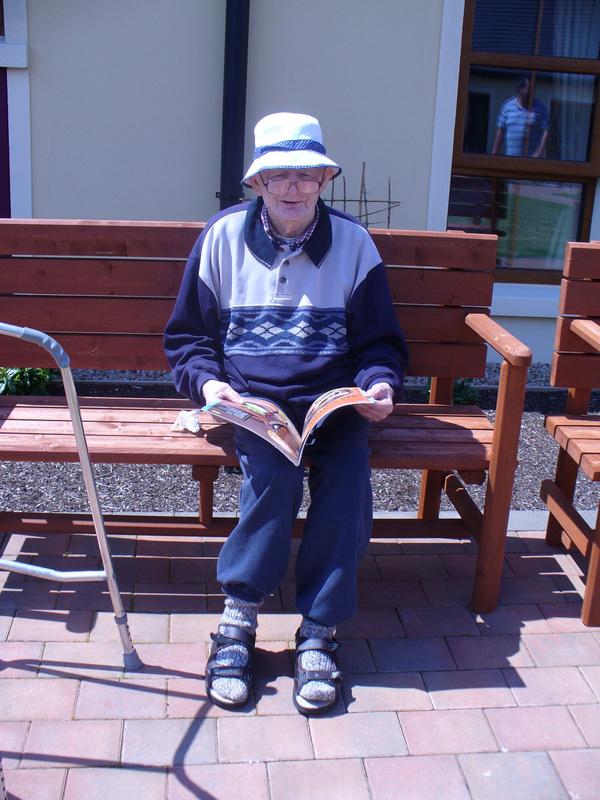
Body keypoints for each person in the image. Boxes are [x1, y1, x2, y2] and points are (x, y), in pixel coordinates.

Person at [164, 112, 408, 716]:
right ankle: (239, 618)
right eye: (279, 175)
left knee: (347, 481)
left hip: (333, 403)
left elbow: (380, 343)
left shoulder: (354, 243)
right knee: (272, 481)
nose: (293, 187)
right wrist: (211, 386)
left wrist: (378, 386)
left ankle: (320, 631)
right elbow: (188, 340)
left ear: (325, 180)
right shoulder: (221, 237)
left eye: (306, 174)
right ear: (257, 183)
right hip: (254, 402)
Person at [491, 78, 549, 158]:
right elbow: (500, 132)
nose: (532, 92)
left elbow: (546, 131)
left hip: (532, 161)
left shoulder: (541, 108)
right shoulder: (507, 106)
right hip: (511, 159)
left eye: (534, 89)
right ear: (520, 90)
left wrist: (538, 154)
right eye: (529, 89)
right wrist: (494, 154)